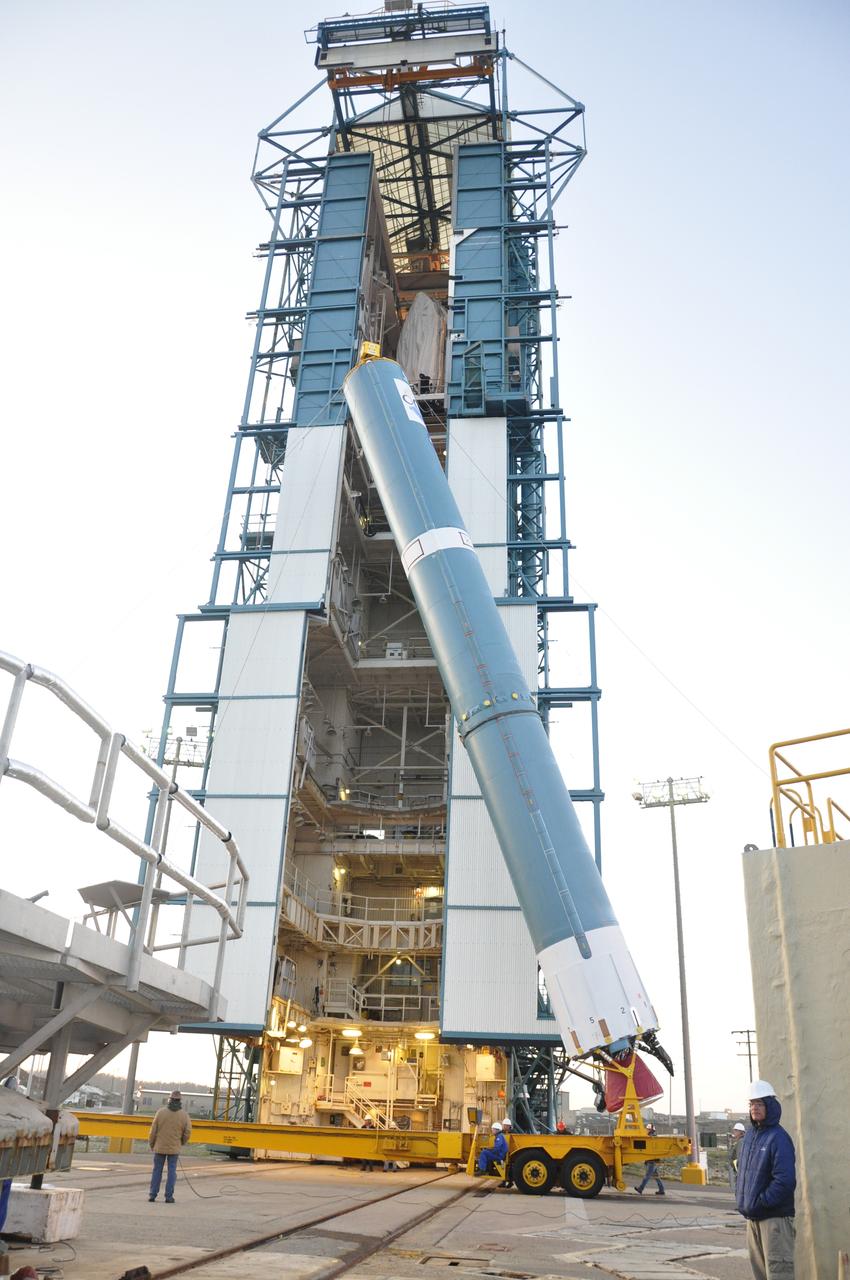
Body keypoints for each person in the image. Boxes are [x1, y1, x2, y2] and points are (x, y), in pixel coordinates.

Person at [736, 1080, 796, 1280]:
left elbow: (785, 1181)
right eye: (752, 1104)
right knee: (760, 1274)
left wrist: (761, 1202)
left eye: (759, 1104)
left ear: (770, 1106)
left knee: (779, 1274)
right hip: (753, 1218)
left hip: (774, 1219)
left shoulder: (779, 1138)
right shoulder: (751, 1136)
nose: (755, 1108)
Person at [148, 1090, 191, 1203]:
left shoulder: (160, 1112)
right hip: (174, 1148)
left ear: (169, 1099)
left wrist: (152, 1144)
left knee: (157, 1170)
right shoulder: (184, 1115)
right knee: (172, 1172)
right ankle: (169, 1196)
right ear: (180, 1101)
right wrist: (181, 1142)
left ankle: (152, 1194)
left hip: (159, 1147)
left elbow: (153, 1131)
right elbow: (188, 1132)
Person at [635, 1123, 665, 1196]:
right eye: (647, 1129)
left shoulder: (652, 1137)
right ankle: (661, 1190)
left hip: (652, 1160)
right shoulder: (652, 1137)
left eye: (648, 1129)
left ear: (651, 1130)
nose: (647, 1130)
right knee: (656, 1177)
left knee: (647, 1176)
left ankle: (640, 1189)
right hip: (652, 1160)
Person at [729, 1120, 746, 1193]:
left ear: (740, 1132)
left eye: (736, 1130)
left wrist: (738, 1171)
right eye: (734, 1130)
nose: (734, 1132)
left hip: (740, 1173)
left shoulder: (741, 1142)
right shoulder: (740, 1141)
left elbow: (739, 1158)